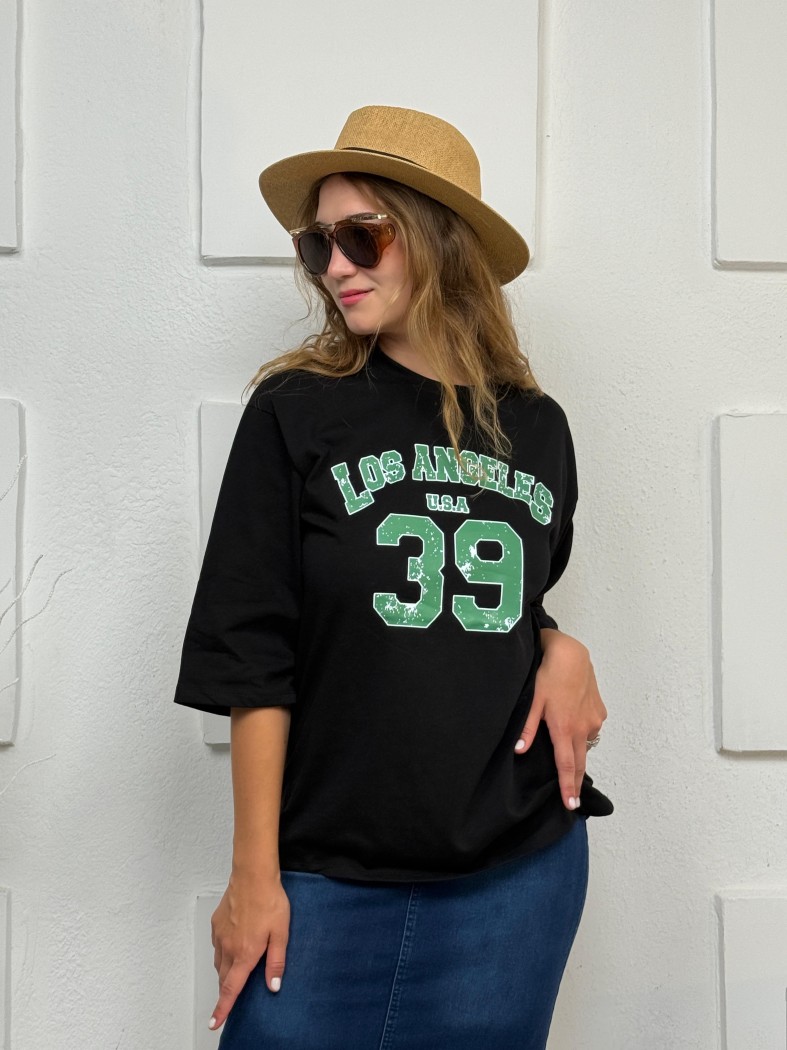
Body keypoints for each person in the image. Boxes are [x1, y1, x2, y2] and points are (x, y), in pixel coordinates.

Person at [173, 104, 613, 1050]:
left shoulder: (537, 428)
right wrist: (254, 874)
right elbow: (253, 651)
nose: (335, 266)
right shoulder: (296, 412)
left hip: (515, 877)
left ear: (437, 239)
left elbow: (497, 603)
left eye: (361, 236)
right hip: (322, 874)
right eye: (318, 244)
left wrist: (556, 642)